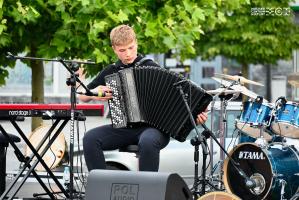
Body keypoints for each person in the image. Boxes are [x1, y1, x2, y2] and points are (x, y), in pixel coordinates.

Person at [79, 24, 208, 172]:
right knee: (90, 138)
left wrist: (195, 115)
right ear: (114, 49)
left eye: (131, 48)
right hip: (125, 128)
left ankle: (147, 190)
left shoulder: (151, 67)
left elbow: (179, 97)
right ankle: (99, 188)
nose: (128, 53)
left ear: (136, 44)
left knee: (147, 141)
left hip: (155, 129)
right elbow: (83, 96)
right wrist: (94, 92)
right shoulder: (111, 71)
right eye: (122, 50)